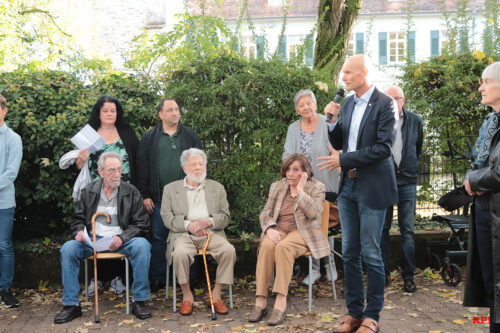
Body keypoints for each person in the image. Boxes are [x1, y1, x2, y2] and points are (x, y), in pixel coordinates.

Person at [318, 54, 398, 333]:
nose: (343, 78)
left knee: (371, 252)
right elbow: (340, 140)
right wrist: (331, 123)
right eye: (343, 73)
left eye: (348, 73)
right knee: (350, 252)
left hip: (372, 187)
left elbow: (383, 148)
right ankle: (353, 313)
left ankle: (372, 315)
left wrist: (343, 160)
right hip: (348, 187)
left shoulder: (385, 104)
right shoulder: (348, 102)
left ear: (363, 72)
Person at [54, 152, 152, 323]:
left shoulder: (131, 192)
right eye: (111, 170)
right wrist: (78, 232)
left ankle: (139, 301)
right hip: (93, 239)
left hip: (121, 240)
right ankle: (71, 305)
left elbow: (142, 223)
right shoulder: (89, 191)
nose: (117, 174)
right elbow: (77, 219)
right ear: (100, 172)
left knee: (142, 246)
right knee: (68, 248)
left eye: (119, 170)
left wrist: (122, 237)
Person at [248, 153, 330, 326]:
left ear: (305, 172)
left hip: (303, 232)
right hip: (279, 229)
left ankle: (280, 301)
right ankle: (260, 301)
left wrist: (300, 191)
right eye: (288, 169)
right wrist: (270, 228)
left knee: (283, 247)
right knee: (267, 245)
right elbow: (265, 213)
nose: (290, 173)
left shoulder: (317, 187)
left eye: (296, 170)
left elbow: (314, 213)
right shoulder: (277, 186)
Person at [137, 98, 203, 292]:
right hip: (158, 199)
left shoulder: (190, 136)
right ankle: (159, 278)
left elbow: (200, 163)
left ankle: (190, 278)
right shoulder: (149, 137)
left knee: (189, 235)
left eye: (177, 109)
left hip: (187, 197)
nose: (175, 113)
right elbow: (142, 167)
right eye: (170, 110)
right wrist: (144, 195)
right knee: (158, 238)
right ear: (161, 115)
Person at [75, 95, 139, 294]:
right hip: (97, 194)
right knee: (98, 231)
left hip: (125, 194)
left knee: (121, 232)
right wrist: (80, 159)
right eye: (105, 111)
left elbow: (138, 161)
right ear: (99, 113)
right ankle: (98, 278)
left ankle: (120, 278)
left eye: (113, 110)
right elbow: (79, 167)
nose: (110, 114)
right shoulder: (90, 134)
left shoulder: (127, 133)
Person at [161, 148, 235, 316]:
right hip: (183, 234)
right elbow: (167, 218)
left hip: (211, 233)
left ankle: (215, 296)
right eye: (193, 164)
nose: (198, 168)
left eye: (201, 164)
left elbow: (225, 216)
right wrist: (189, 225)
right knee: (179, 254)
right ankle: (187, 297)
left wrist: (208, 221)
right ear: (185, 168)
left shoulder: (217, 188)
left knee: (229, 250)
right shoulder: (170, 189)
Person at [283, 89, 340, 285]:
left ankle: (330, 265)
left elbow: (337, 149)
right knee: (310, 224)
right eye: (301, 105)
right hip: (303, 187)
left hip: (327, 182)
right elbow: (287, 156)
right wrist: (295, 174)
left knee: (326, 223)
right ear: (297, 110)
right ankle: (315, 269)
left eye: (309, 103)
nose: (306, 107)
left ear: (315, 105)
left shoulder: (327, 123)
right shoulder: (293, 129)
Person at [464, 61, 500, 333]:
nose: (480, 87)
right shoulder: (490, 121)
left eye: (486, 82)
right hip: (485, 208)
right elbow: (481, 161)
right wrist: (473, 178)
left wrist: (473, 181)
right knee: (490, 284)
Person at [380, 86, 423, 292]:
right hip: (385, 181)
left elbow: (418, 148)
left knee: (408, 231)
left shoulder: (415, 120)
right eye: (389, 98)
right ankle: (383, 275)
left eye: (396, 98)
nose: (393, 102)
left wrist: (408, 167)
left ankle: (409, 277)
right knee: (383, 230)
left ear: (403, 100)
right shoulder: (381, 121)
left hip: (407, 182)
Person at [0, 94, 22, 308]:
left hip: (3, 202)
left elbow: (10, 173)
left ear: (4, 110)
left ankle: (6, 290)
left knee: (4, 246)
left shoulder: (13, 139)